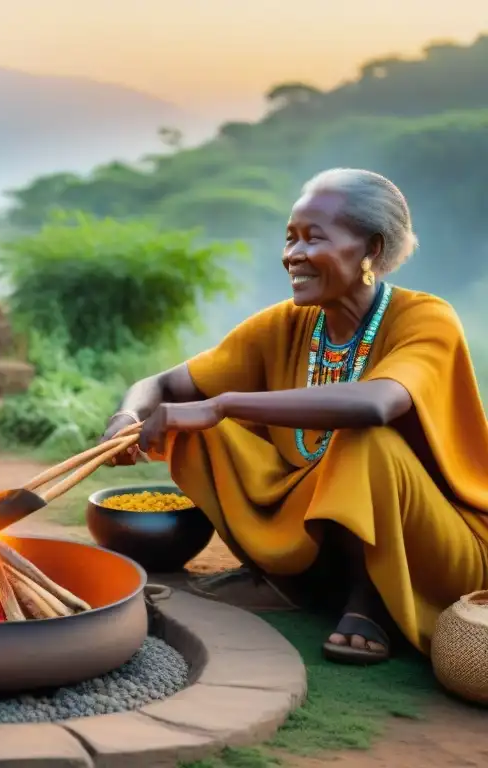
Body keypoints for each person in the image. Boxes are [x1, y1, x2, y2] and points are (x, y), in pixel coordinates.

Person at [101, 168, 488, 665]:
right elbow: (164, 385)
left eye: (313, 239)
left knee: (366, 438)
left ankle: (368, 601)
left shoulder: (425, 318)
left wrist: (222, 404)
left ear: (371, 249)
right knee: (200, 435)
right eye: (290, 239)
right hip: (313, 531)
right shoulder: (286, 323)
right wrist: (128, 413)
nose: (294, 255)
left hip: (436, 549)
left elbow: (376, 404)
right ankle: (286, 572)